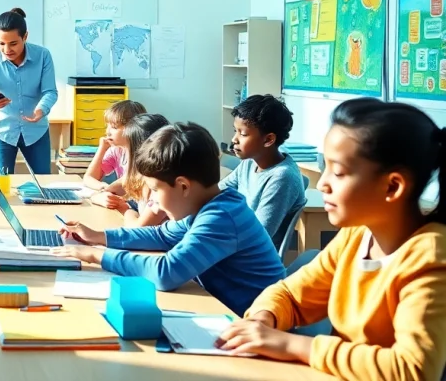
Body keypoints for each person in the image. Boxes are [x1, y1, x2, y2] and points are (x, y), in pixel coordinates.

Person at [219, 99, 446, 380]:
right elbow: (290, 294)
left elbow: (413, 370)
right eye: (324, 167)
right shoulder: (357, 235)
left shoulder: (431, 256)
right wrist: (263, 319)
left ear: (392, 186)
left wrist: (293, 345)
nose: (323, 183)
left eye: (338, 172)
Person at [54, 122, 285, 316]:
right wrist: (98, 236)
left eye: (155, 190)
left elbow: (166, 273)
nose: (153, 200)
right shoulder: (205, 206)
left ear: (183, 186)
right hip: (227, 311)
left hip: (254, 325)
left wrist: (96, 255)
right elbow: (161, 235)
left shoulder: (221, 217)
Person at [0, 7, 57, 175]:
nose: (7, 50)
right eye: (1, 43)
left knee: (43, 180)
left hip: (36, 130)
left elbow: (50, 91)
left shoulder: (43, 55)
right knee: (4, 183)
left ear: (25, 36)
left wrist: (41, 109)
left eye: (13, 43)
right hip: (2, 130)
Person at [220, 94, 306, 244]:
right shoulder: (249, 162)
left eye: (243, 133)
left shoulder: (282, 177)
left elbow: (257, 234)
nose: (234, 139)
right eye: (235, 131)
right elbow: (215, 193)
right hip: (234, 240)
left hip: (249, 253)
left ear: (268, 139)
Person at [91, 113, 169, 228]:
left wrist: (126, 210)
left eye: (126, 147)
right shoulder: (137, 176)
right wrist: (102, 198)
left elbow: (138, 228)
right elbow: (103, 192)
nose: (123, 152)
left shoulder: (161, 185)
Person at [82, 100, 147, 192]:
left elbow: (126, 184)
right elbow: (89, 178)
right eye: (107, 126)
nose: (107, 132)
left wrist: (107, 190)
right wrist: (102, 149)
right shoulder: (116, 150)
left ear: (132, 128)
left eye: (114, 127)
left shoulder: (143, 154)